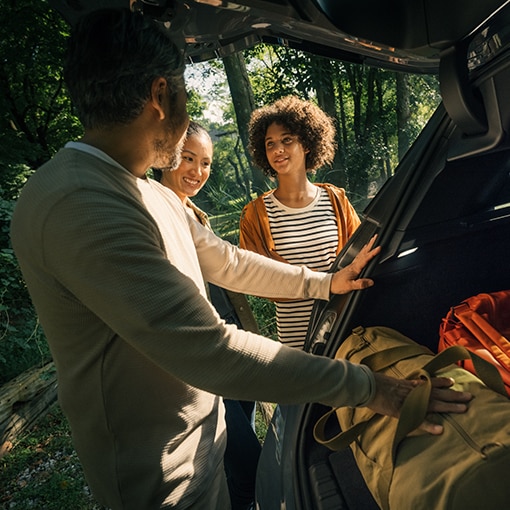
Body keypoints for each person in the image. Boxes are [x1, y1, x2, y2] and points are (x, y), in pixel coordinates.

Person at [9, 8, 471, 510]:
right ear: (161, 96)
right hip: (159, 482)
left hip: (203, 451)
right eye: (185, 95)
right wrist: (369, 387)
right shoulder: (79, 202)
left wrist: (324, 283)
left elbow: (228, 262)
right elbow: (210, 350)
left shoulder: (147, 193)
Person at [153, 121, 261, 510]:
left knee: (241, 431)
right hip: (204, 354)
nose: (197, 171)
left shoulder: (195, 213)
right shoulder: (150, 213)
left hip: (232, 332)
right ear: (165, 156)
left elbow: (229, 269)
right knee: (250, 461)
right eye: (188, 159)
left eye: (206, 163)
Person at [239, 95, 361, 349]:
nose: (277, 150)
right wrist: (321, 285)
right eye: (270, 143)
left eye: (286, 140)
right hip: (295, 340)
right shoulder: (255, 214)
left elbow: (359, 260)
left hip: (343, 329)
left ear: (307, 144)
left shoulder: (336, 200)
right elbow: (254, 278)